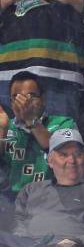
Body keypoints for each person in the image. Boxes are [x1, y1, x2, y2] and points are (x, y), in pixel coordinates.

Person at [0, 0, 84, 118]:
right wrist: (4, 0)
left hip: (62, 76)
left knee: (58, 138)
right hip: (8, 77)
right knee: (11, 139)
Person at [0, 72, 76, 200]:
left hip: (51, 200)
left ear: (44, 98)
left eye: (31, 96)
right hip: (9, 202)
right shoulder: (6, 126)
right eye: (16, 97)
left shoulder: (63, 123)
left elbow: (64, 154)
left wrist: (31, 120)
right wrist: (2, 131)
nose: (23, 102)